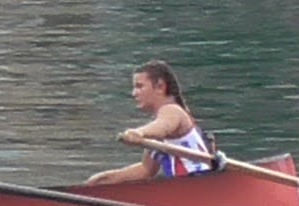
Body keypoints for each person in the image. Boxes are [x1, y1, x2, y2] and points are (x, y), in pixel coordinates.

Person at [86, 60, 214, 185]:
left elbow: (163, 127)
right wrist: (103, 180)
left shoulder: (173, 110)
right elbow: (146, 170)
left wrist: (139, 132)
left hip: (199, 184)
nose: (134, 93)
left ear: (160, 87)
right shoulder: (157, 129)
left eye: (139, 86)